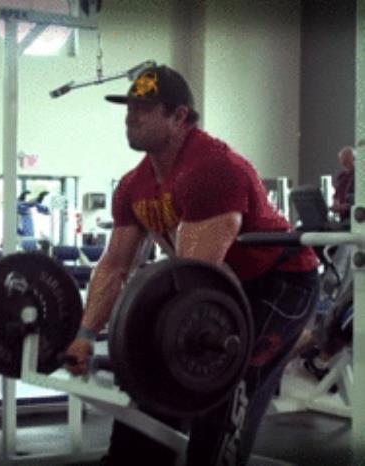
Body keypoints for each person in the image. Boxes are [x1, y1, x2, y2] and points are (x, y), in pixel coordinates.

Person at [63, 63, 321, 466]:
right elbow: (114, 267)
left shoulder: (212, 168)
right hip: (220, 284)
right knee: (159, 366)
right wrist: (84, 334)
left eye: (143, 109)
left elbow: (193, 276)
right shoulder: (133, 185)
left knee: (226, 372)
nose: (130, 117)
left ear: (179, 116)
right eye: (129, 108)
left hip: (279, 281)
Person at [331, 146, 356, 222]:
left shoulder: (359, 176)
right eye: (342, 160)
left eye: (347, 160)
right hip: (343, 218)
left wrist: (343, 207)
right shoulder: (341, 176)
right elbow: (336, 195)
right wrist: (335, 204)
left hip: (354, 217)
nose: (344, 163)